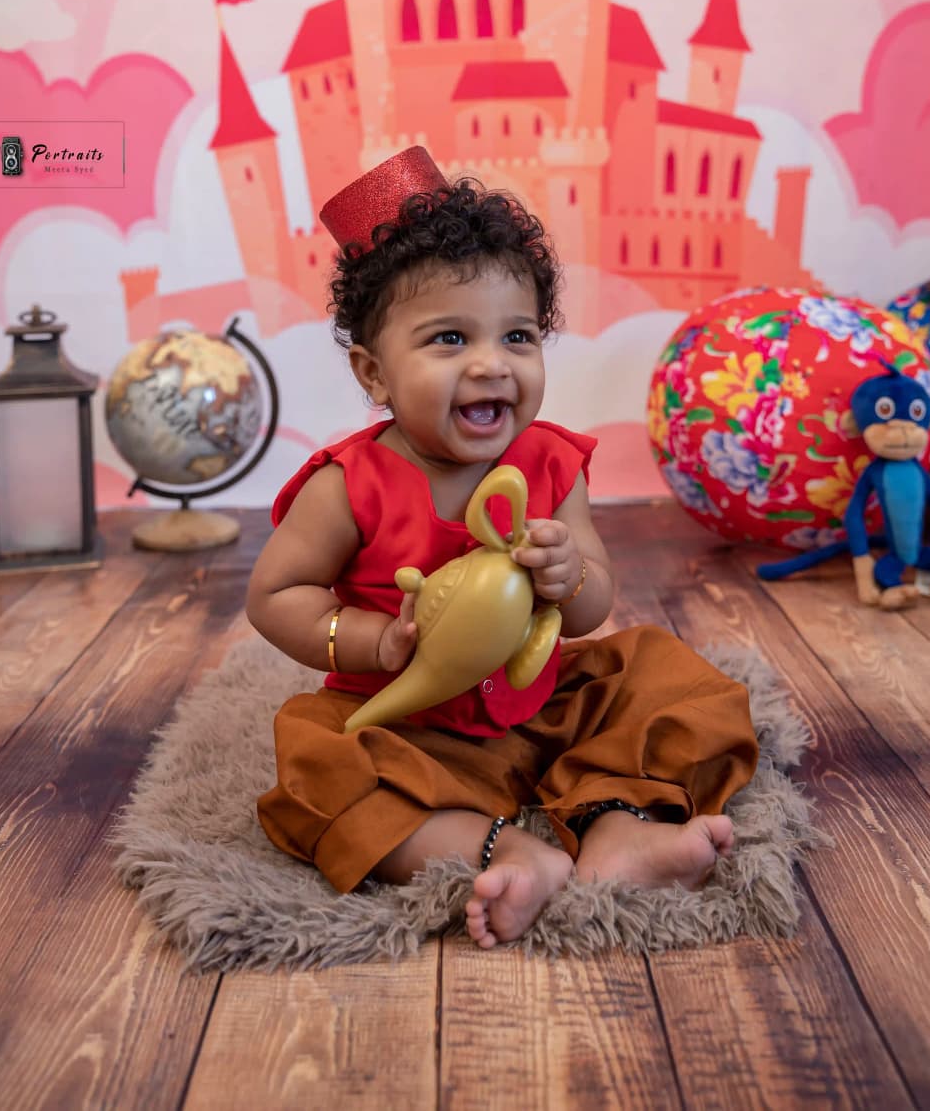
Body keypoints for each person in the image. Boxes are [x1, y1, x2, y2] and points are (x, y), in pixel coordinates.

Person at [248, 147, 758, 949]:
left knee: (667, 677)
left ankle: (616, 826)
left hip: (540, 708)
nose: (492, 364)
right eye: (449, 339)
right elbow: (276, 595)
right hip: (408, 722)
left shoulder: (550, 464)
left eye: (518, 336)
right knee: (316, 764)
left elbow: (592, 609)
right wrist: (373, 641)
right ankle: (504, 849)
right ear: (375, 374)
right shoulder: (349, 484)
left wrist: (568, 572)